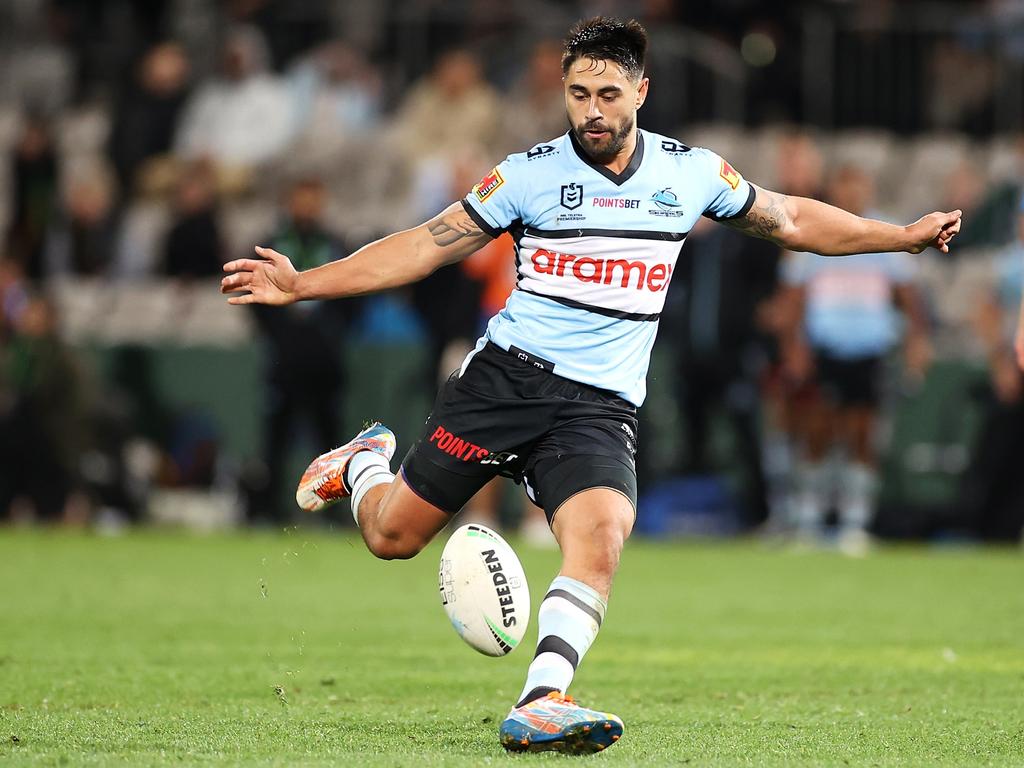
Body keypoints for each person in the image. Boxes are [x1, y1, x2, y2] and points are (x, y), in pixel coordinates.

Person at [221, 17, 961, 755]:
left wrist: (899, 235)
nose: (592, 111)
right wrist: (303, 284)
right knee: (390, 537)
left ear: (642, 90)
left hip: (600, 407)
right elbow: (425, 245)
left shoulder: (690, 171)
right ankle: (363, 462)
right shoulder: (529, 175)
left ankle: (542, 700)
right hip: (503, 385)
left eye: (608, 93)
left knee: (602, 538)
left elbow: (793, 218)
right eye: (578, 94)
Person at [778, 165, 932, 554]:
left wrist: (916, 344)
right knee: (817, 432)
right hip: (825, 349)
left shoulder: (886, 233)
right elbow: (793, 300)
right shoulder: (815, 230)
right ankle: (809, 522)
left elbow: (910, 300)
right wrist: (795, 349)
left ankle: (854, 523)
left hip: (870, 350)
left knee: (862, 433)